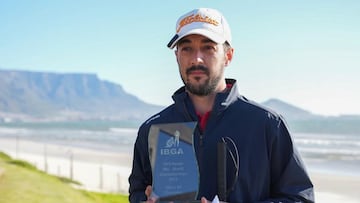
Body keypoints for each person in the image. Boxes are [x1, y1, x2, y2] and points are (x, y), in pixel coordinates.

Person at [128, 7, 314, 203]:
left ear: (228, 56)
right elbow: (138, 192)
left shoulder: (267, 125)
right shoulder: (153, 129)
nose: (196, 59)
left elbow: (300, 198)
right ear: (177, 56)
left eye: (208, 47)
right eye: (186, 48)